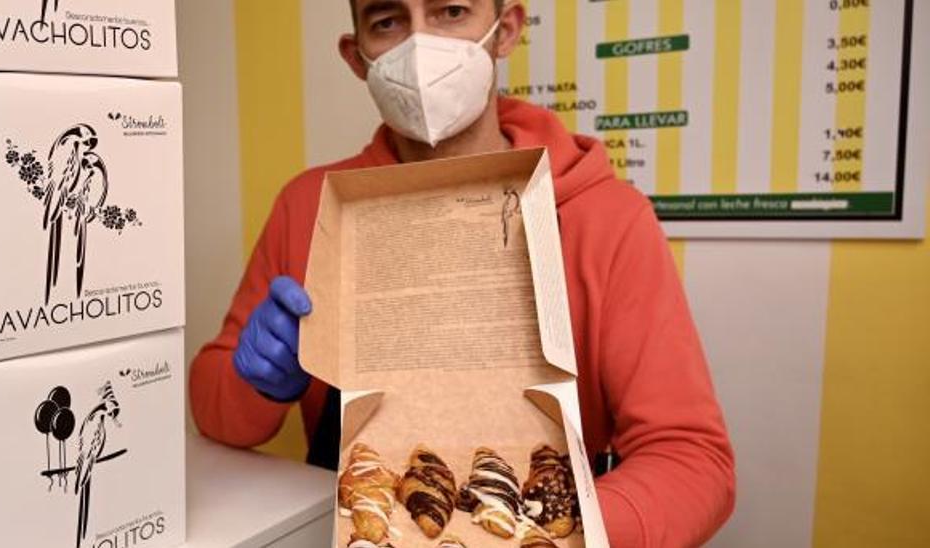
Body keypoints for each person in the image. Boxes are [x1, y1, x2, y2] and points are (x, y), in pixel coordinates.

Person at [189, 1, 736, 545]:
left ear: (506, 31)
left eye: (451, 12)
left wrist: (555, 537)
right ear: (358, 57)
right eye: (388, 21)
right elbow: (216, 416)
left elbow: (692, 461)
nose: (420, 43)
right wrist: (253, 383)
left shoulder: (608, 221)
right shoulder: (311, 207)